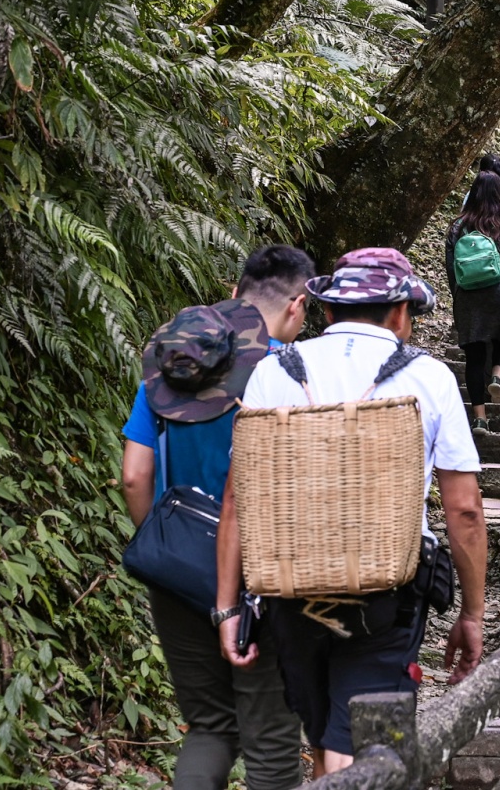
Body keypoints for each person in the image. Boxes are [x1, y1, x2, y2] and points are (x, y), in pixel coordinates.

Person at [216, 248, 486, 775]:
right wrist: (471, 613)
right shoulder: (428, 378)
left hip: (288, 583)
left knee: (324, 736)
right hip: (385, 593)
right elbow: (465, 510)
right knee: (355, 740)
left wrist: (228, 607)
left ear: (327, 310)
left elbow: (238, 498)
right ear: (402, 313)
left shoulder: (275, 372)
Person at [119, 245, 315, 790]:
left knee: (209, 726)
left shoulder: (169, 367)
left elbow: (135, 474)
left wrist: (166, 546)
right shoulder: (287, 376)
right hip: (261, 577)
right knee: (271, 740)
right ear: (298, 305)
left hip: (177, 570)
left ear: (234, 293)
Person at [445, 171, 500, 431]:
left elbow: (451, 267)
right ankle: (498, 375)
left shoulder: (458, 226)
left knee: (474, 359)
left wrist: (459, 295)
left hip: (468, 295)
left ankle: (479, 419)